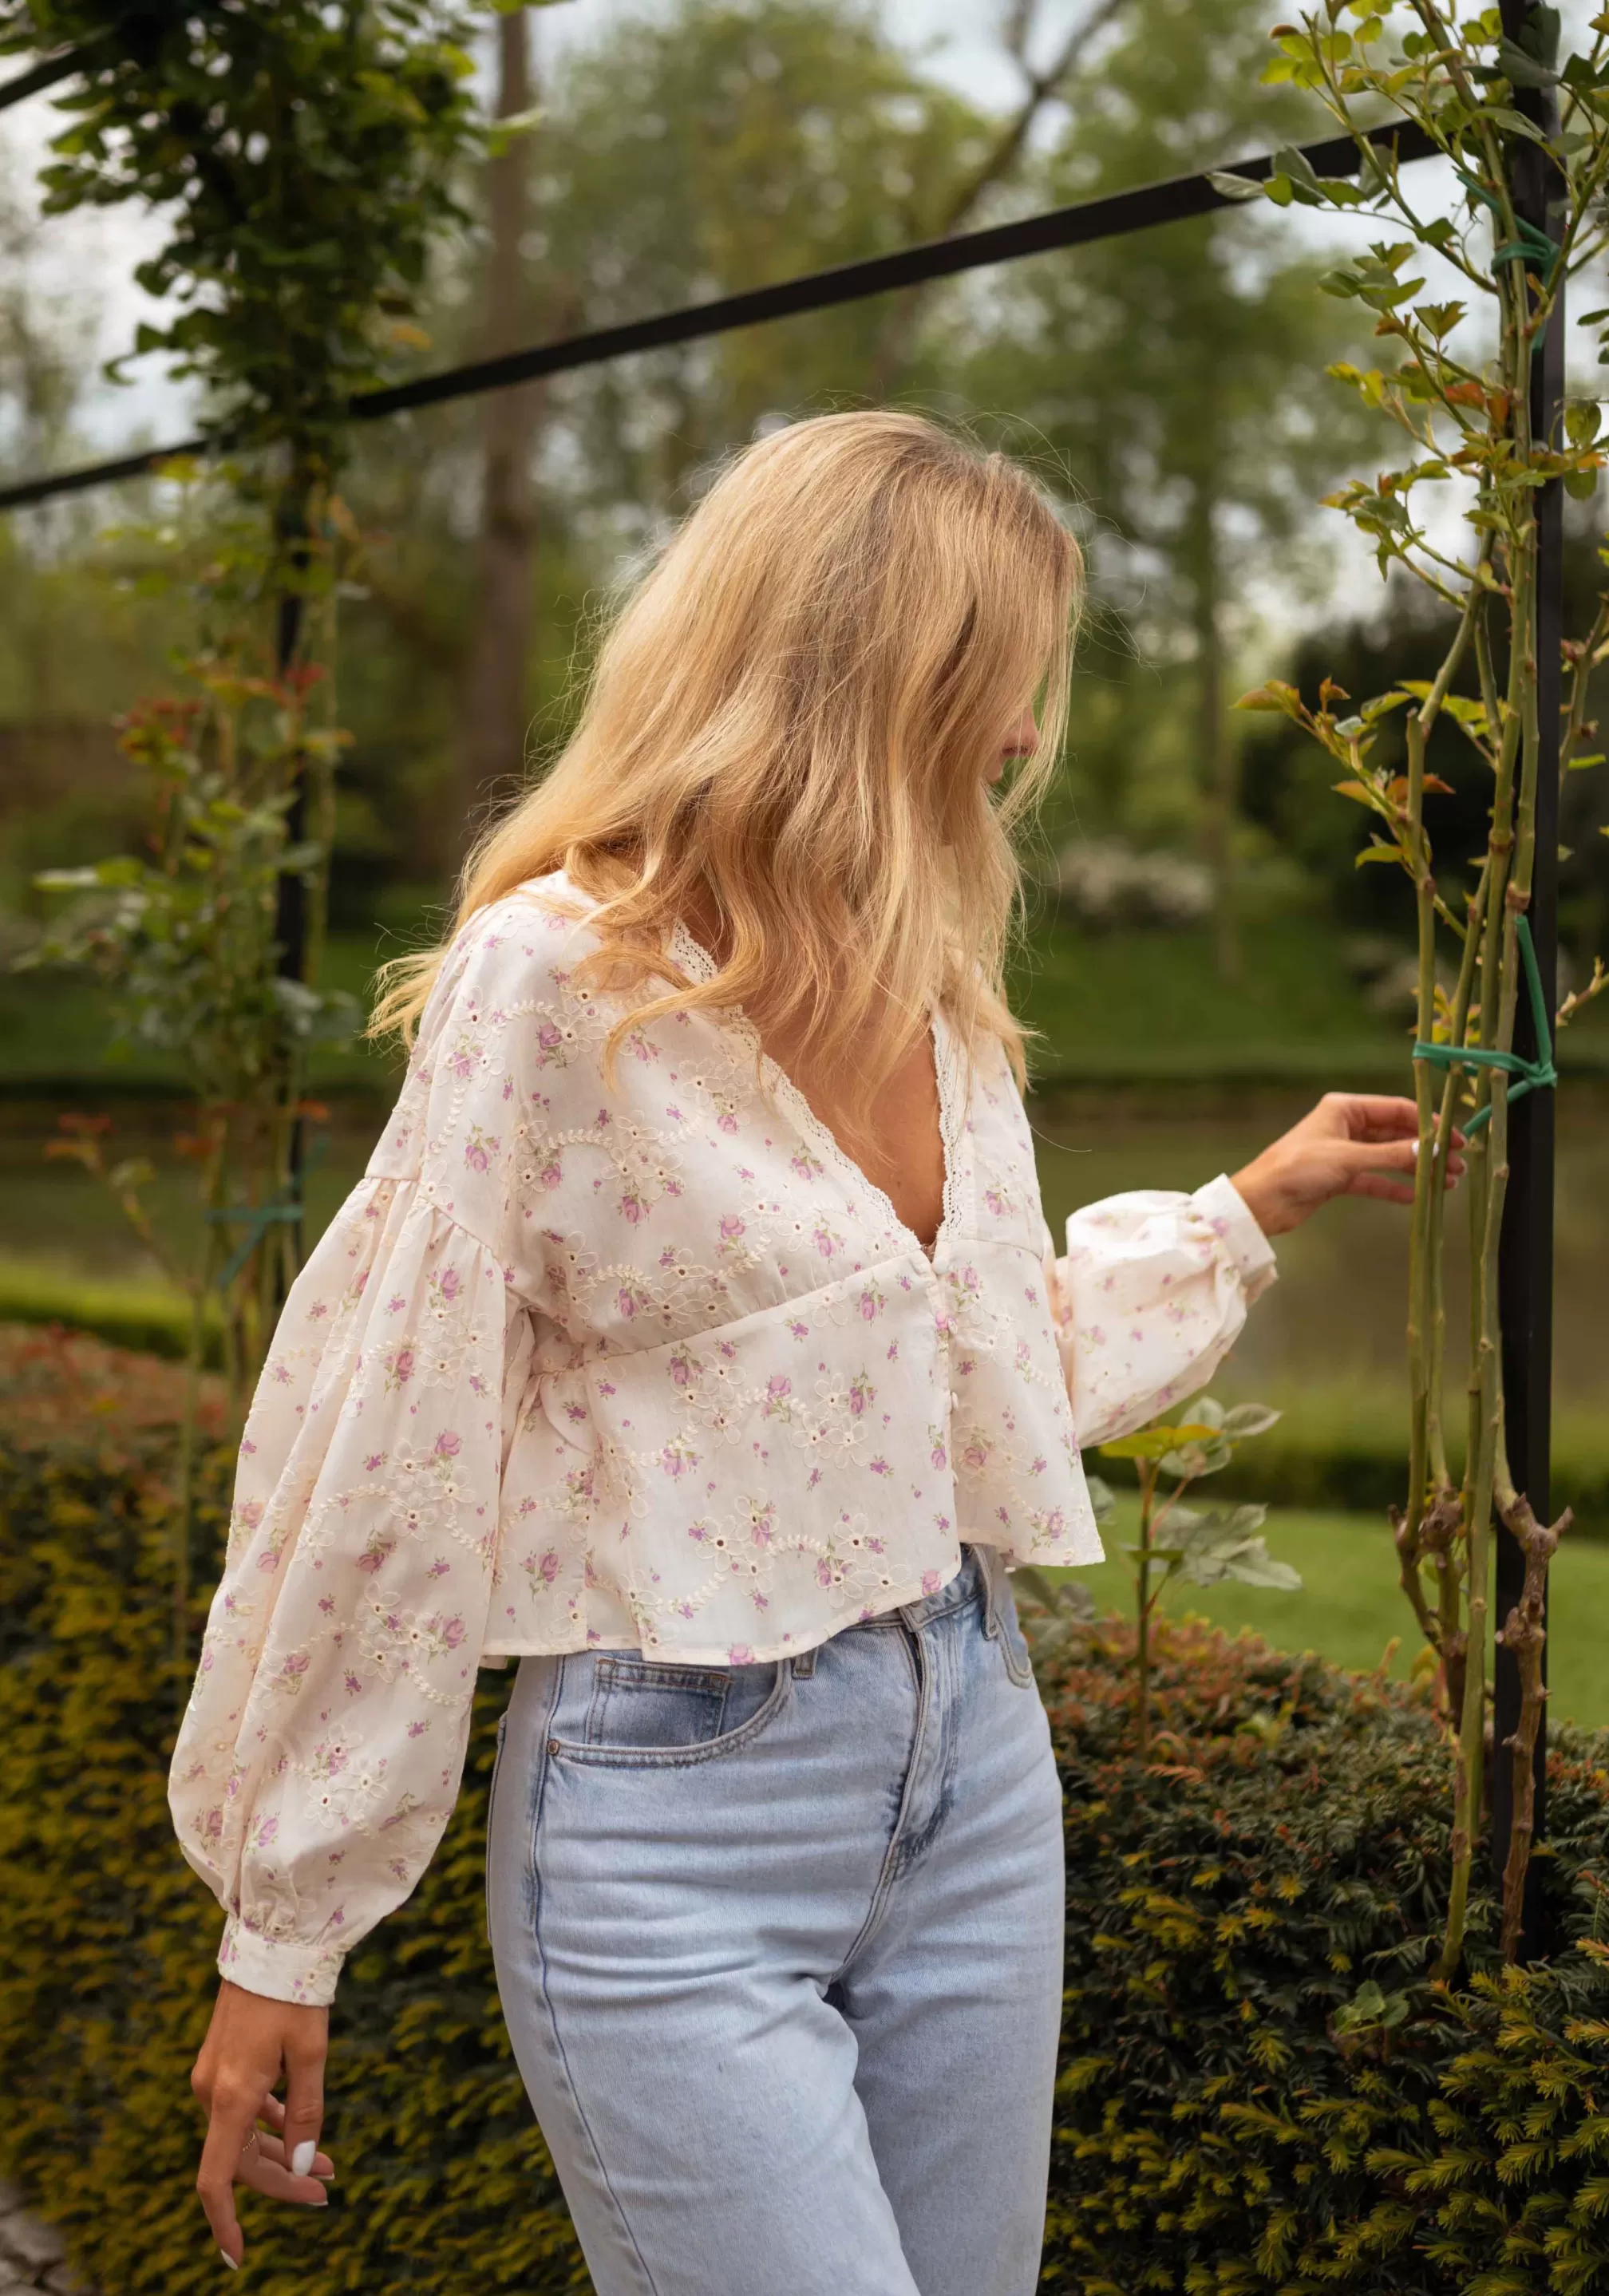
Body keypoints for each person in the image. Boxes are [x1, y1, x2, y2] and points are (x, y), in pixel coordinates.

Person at [173, 410, 1453, 2292]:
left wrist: (1243, 1209)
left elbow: (961, 1384)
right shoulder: (555, 980)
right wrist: (282, 1925)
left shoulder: (932, 982)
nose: (1024, 738)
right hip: (671, 1819)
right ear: (884, 683)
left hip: (978, 1764)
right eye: (1002, 683)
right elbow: (393, 1432)